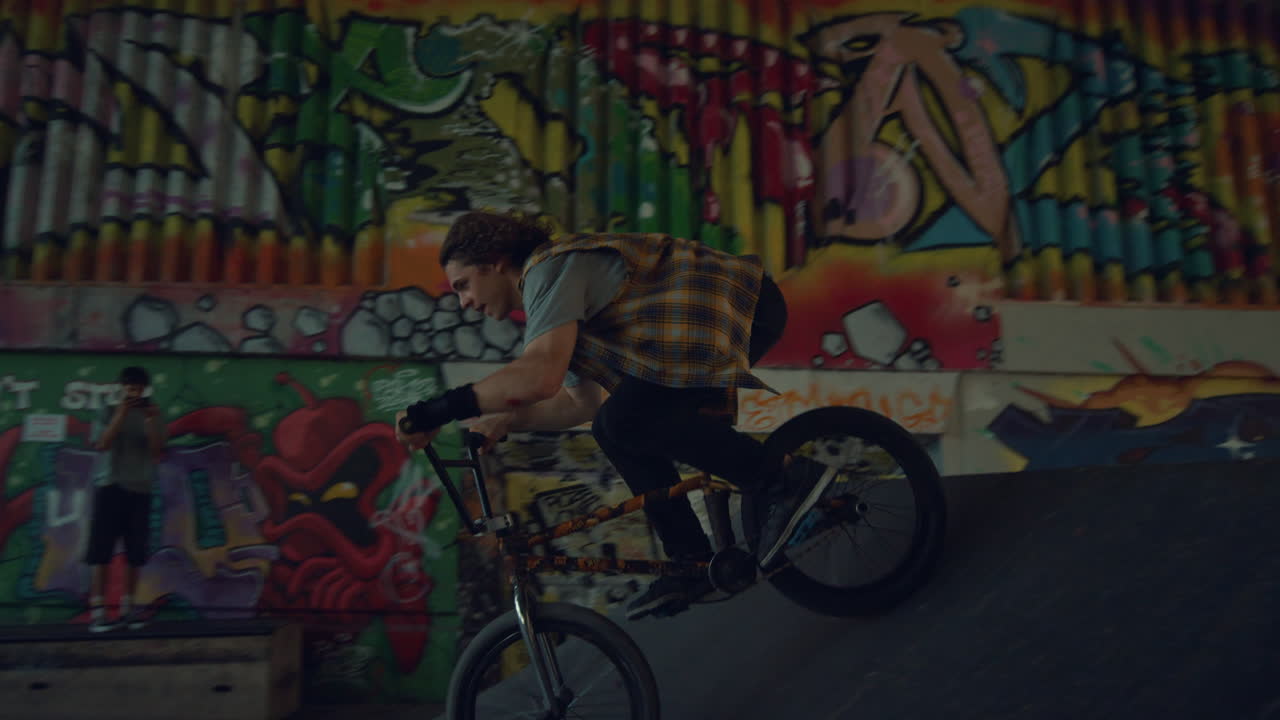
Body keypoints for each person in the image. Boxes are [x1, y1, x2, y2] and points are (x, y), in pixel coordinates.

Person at [397, 210, 828, 620]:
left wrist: (436, 411)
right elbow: (580, 403)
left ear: (493, 263)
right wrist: (509, 420)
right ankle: (691, 562)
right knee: (612, 425)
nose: (464, 303)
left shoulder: (551, 269)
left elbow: (539, 375)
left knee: (623, 419)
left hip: (744, 305)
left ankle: (783, 479)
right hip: (697, 332)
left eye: (463, 285)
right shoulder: (552, 306)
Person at [85, 366, 164, 632]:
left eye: (139, 389)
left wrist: (151, 421)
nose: (134, 393)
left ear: (144, 390)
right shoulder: (107, 410)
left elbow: (158, 452)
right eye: (130, 389)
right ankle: (98, 612)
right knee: (101, 551)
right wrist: (121, 413)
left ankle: (128, 610)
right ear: (121, 388)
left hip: (141, 488)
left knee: (135, 552)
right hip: (110, 485)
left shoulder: (152, 414)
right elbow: (102, 444)